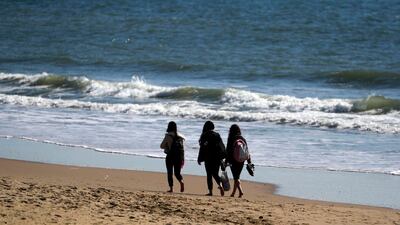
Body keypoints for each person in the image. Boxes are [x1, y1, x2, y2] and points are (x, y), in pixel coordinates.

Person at [197, 121, 226, 196]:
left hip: (208, 157)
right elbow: (222, 146)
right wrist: (224, 157)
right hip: (217, 158)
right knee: (215, 174)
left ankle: (210, 191)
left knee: (209, 175)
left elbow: (202, 148)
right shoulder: (217, 135)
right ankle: (221, 185)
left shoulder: (204, 135)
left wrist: (199, 158)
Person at [225, 124, 251, 198]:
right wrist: (249, 162)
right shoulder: (242, 138)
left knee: (236, 177)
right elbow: (247, 151)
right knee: (237, 176)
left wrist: (226, 162)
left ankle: (240, 192)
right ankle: (234, 193)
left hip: (233, 160)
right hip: (241, 159)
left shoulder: (231, 138)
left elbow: (228, 151)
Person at [160, 121, 185, 193]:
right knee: (177, 173)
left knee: (170, 172)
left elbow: (161, 146)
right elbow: (182, 148)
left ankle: (171, 188)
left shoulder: (168, 136)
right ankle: (181, 181)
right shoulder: (180, 136)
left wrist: (167, 146)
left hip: (170, 156)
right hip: (179, 156)